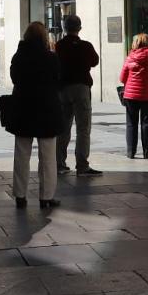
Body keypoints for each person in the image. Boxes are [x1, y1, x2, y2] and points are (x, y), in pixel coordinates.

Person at [9, 22, 63, 209]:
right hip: (47, 111)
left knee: (22, 155)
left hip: (23, 110)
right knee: (48, 156)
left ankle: (20, 196)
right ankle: (46, 197)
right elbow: (58, 80)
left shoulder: (19, 56)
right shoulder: (51, 58)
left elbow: (14, 78)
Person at [55, 15, 101, 176]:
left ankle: (59, 164)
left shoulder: (59, 46)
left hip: (63, 89)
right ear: (79, 28)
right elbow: (95, 61)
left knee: (63, 128)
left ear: (64, 28)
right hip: (81, 88)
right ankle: (82, 165)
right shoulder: (86, 46)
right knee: (83, 128)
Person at [119, 33, 148, 159]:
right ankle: (147, 151)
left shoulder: (130, 57)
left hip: (130, 96)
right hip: (147, 95)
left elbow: (122, 78)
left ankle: (130, 152)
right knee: (147, 123)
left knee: (131, 123)